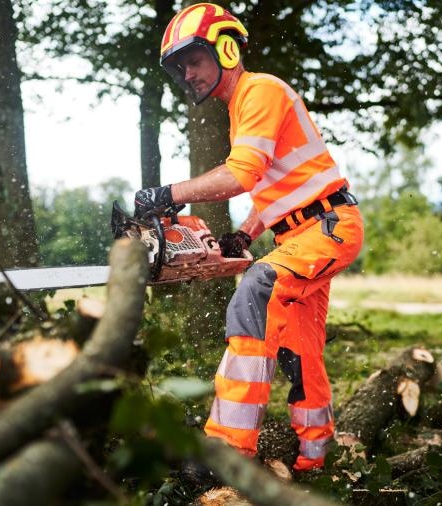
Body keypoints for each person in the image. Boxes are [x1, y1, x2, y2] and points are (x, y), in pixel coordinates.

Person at [135, 2, 363, 472]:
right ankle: (316, 457)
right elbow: (274, 188)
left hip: (327, 228)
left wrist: (168, 194)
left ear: (224, 47)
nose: (188, 75)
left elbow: (242, 175)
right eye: (181, 69)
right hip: (304, 231)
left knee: (253, 293)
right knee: (300, 350)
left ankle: (227, 449)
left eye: (193, 61)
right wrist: (243, 235)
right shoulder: (243, 109)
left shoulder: (259, 90)